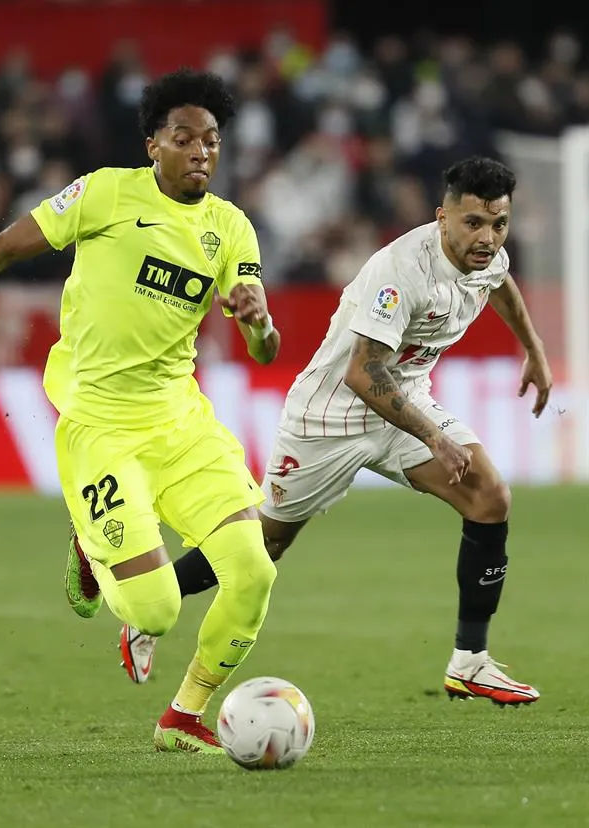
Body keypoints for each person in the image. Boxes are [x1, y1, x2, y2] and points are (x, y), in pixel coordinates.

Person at [0, 68, 281, 753]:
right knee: (156, 608)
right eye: (183, 137)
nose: (201, 151)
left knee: (252, 572)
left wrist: (258, 323)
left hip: (181, 424)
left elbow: (263, 347)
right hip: (100, 427)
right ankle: (91, 543)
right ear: (152, 145)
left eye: (212, 140)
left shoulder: (231, 229)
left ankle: (183, 716)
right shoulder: (104, 193)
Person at [80, 155, 552, 706]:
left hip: (405, 402)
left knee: (490, 496)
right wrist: (435, 437)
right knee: (267, 542)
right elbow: (361, 371)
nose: (488, 237)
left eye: (499, 224)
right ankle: (148, 604)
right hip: (330, 416)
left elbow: (500, 283)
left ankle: (469, 662)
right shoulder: (401, 271)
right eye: (473, 223)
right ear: (442, 217)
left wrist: (533, 348)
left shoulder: (486, 256)